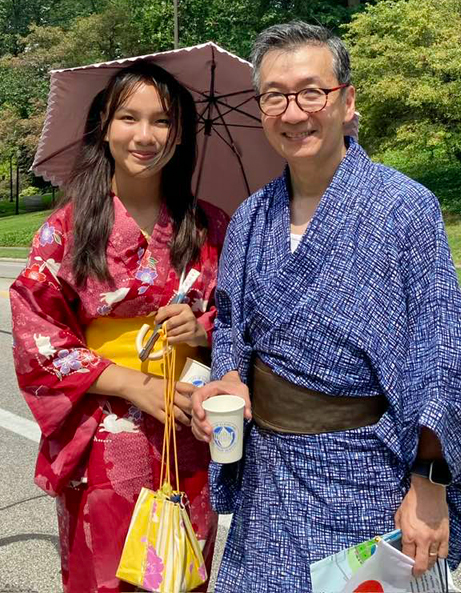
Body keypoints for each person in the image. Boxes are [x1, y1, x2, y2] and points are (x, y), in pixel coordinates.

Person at [191, 21, 461, 592]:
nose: (293, 111)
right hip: (269, 483)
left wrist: (428, 484)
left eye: (311, 92)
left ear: (347, 102)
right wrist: (226, 379)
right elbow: (230, 324)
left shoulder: (404, 208)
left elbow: (442, 354)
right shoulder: (251, 216)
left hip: (363, 477)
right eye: (274, 95)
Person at [10, 61, 229, 593]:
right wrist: (135, 383)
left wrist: (202, 329)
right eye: (129, 117)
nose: (145, 135)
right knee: (105, 576)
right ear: (103, 126)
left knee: (179, 576)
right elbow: (37, 335)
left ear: (180, 134)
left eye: (162, 121)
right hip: (105, 435)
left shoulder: (212, 225)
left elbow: (249, 321)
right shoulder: (65, 230)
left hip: (187, 432)